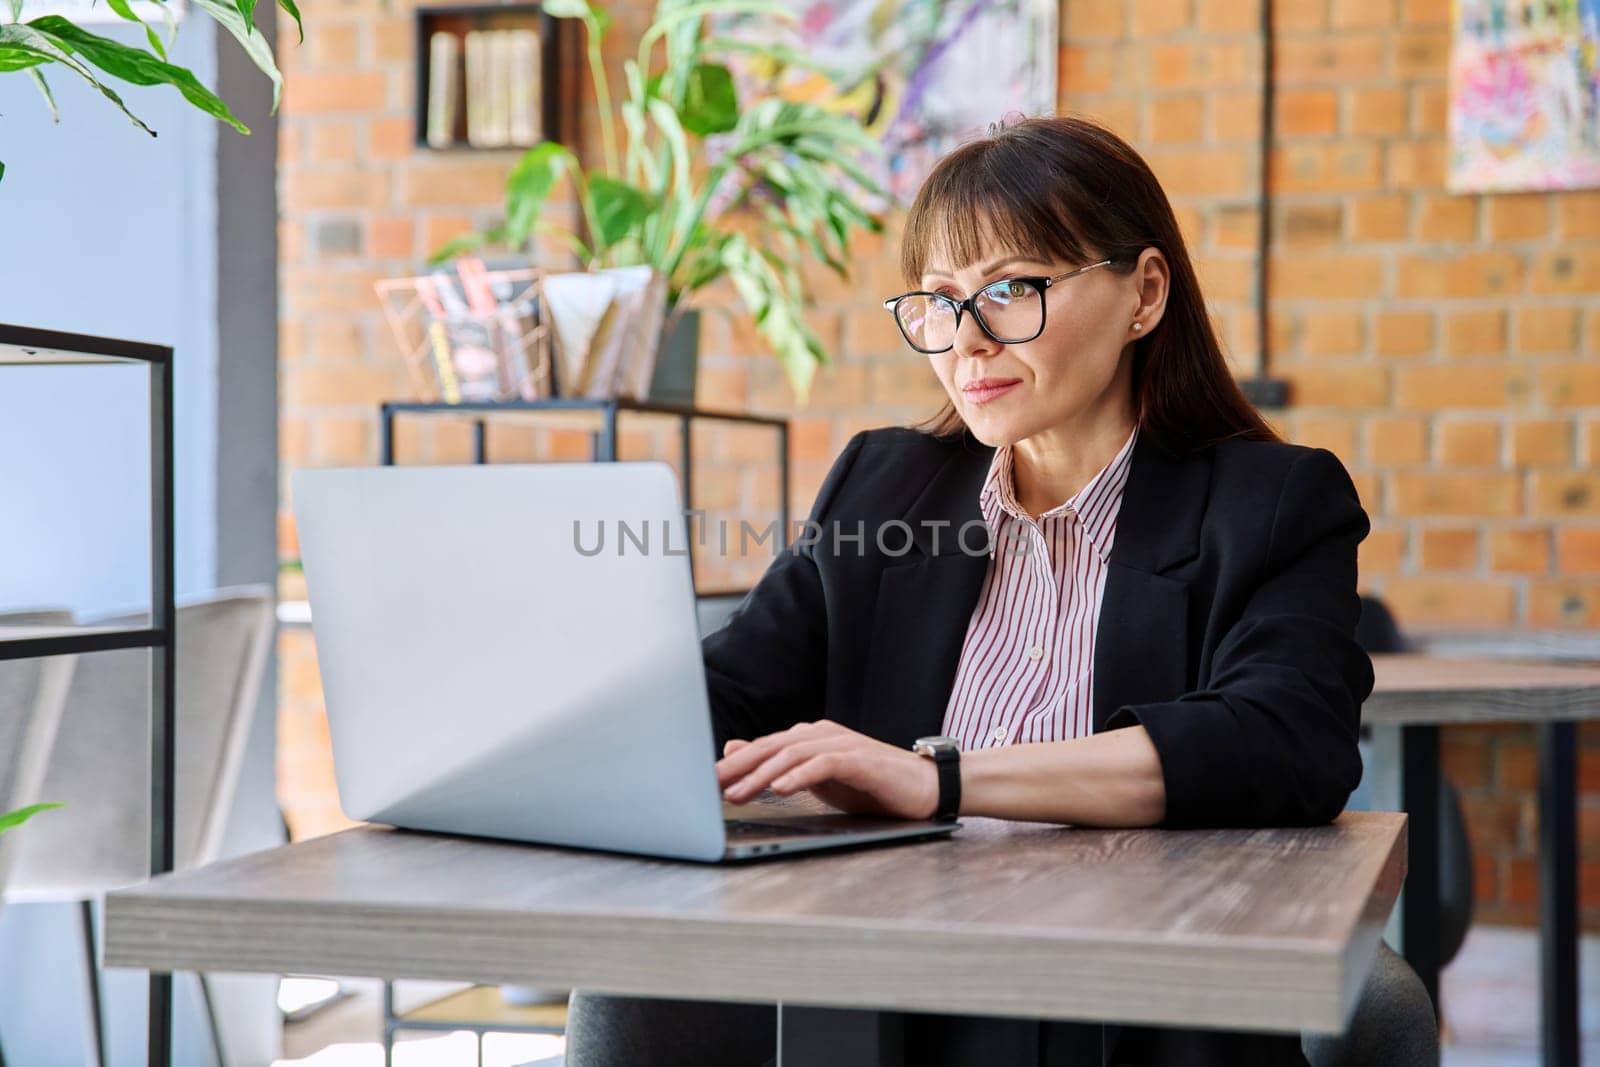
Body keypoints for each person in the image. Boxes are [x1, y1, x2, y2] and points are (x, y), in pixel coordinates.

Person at [567, 114, 1389, 1067]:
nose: (966, 340)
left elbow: (1287, 740)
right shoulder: (886, 485)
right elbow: (731, 689)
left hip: (1135, 1004)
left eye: (1011, 290)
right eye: (940, 300)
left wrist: (940, 778)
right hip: (882, 985)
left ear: (1144, 294)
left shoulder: (1273, 502)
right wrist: (571, 728)